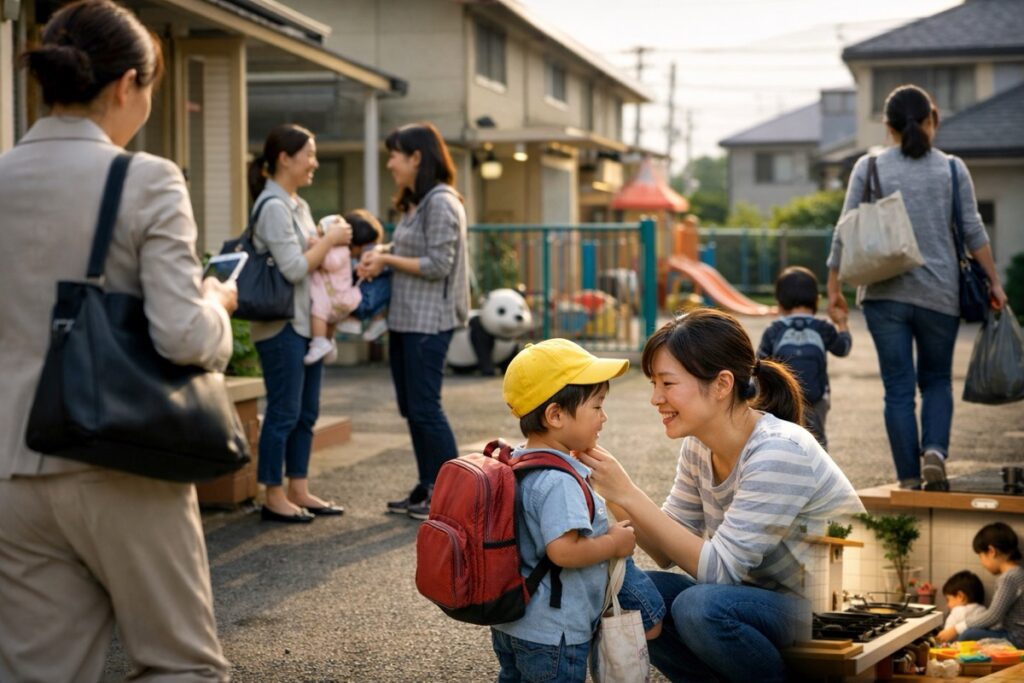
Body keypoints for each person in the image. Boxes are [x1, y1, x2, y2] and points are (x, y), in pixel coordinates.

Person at [0, 1, 234, 678]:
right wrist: (217, 304)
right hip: (122, 457)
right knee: (179, 664)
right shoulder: (147, 178)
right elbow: (183, 335)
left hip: (13, 466)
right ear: (128, 84)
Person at [577, 309, 865, 683]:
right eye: (653, 384)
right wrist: (613, 492)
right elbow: (666, 550)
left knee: (701, 607)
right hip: (766, 605)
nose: (655, 398)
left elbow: (719, 571)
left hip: (840, 613)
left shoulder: (779, 450)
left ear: (722, 384)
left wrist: (628, 492)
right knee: (639, 594)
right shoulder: (699, 448)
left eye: (667, 383)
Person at [826, 84, 1008, 491]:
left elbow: (845, 229)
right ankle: (935, 454)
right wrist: (994, 281)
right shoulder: (952, 169)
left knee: (898, 389)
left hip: (882, 294)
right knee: (938, 381)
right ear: (932, 121)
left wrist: (833, 285)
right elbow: (974, 230)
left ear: (886, 126)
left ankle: (908, 479)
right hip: (939, 294)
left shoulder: (868, 167)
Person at [492, 339, 665, 682]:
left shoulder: (518, 461)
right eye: (597, 406)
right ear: (555, 415)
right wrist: (616, 544)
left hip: (513, 624)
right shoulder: (559, 482)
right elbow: (563, 551)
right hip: (555, 635)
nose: (604, 417)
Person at [358, 122, 470, 520]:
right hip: (407, 320)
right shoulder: (420, 202)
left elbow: (439, 264)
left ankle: (452, 496)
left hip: (428, 321)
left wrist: (385, 258)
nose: (390, 163)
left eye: (394, 155)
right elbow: (413, 248)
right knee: (413, 408)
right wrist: (384, 251)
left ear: (417, 157)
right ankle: (428, 486)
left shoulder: (441, 202)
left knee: (425, 408)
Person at [248, 123, 351, 523]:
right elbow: (293, 268)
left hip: (306, 325)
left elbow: (311, 258)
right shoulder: (273, 206)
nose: (314, 162)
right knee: (284, 411)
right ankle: (272, 494)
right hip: (281, 324)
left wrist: (324, 245)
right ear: (284, 159)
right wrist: (330, 240)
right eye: (308, 154)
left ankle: (299, 488)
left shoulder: (298, 205)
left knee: (306, 412)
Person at [758, 266, 852, 449]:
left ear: (780, 301)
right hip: (817, 398)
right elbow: (844, 348)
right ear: (817, 300)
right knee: (816, 442)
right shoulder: (822, 327)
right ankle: (818, 472)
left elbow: (758, 366)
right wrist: (842, 323)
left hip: (781, 397)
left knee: (782, 440)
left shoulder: (774, 330)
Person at [304, 209, 391, 364]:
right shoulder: (342, 253)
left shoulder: (341, 253)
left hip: (334, 302)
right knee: (386, 276)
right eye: (365, 247)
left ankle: (336, 336)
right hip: (345, 302)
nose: (366, 251)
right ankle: (363, 320)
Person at [937, 523, 1024, 646]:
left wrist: (956, 628)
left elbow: (993, 616)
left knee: (968, 634)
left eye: (980, 556)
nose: (981, 563)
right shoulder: (1018, 573)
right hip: (1015, 634)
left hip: (1017, 638)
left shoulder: (1009, 578)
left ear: (991, 551)